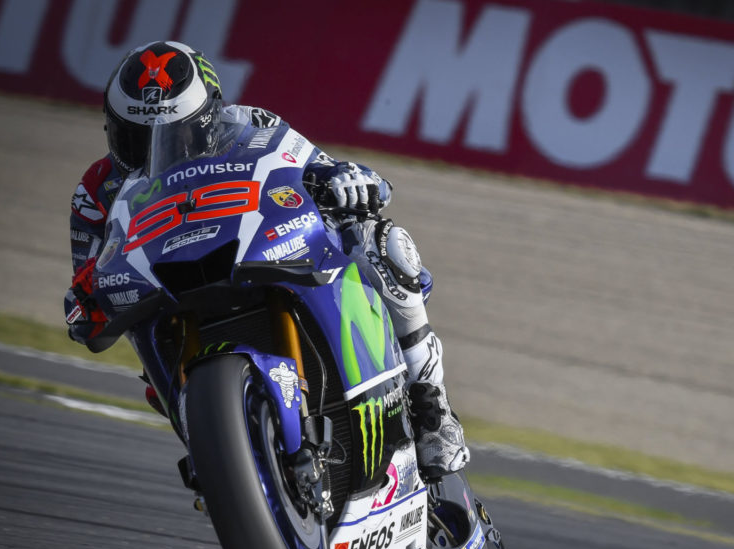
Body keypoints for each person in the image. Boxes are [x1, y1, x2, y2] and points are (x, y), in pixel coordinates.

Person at [64, 41, 469, 477]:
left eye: (168, 136)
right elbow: (91, 278)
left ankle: (431, 403)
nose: (149, 152)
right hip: (169, 312)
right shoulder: (95, 192)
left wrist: (344, 179)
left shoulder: (252, 125)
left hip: (253, 258)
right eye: (133, 137)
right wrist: (84, 296)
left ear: (207, 118)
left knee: (381, 241)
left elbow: (317, 166)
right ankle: (231, 465)